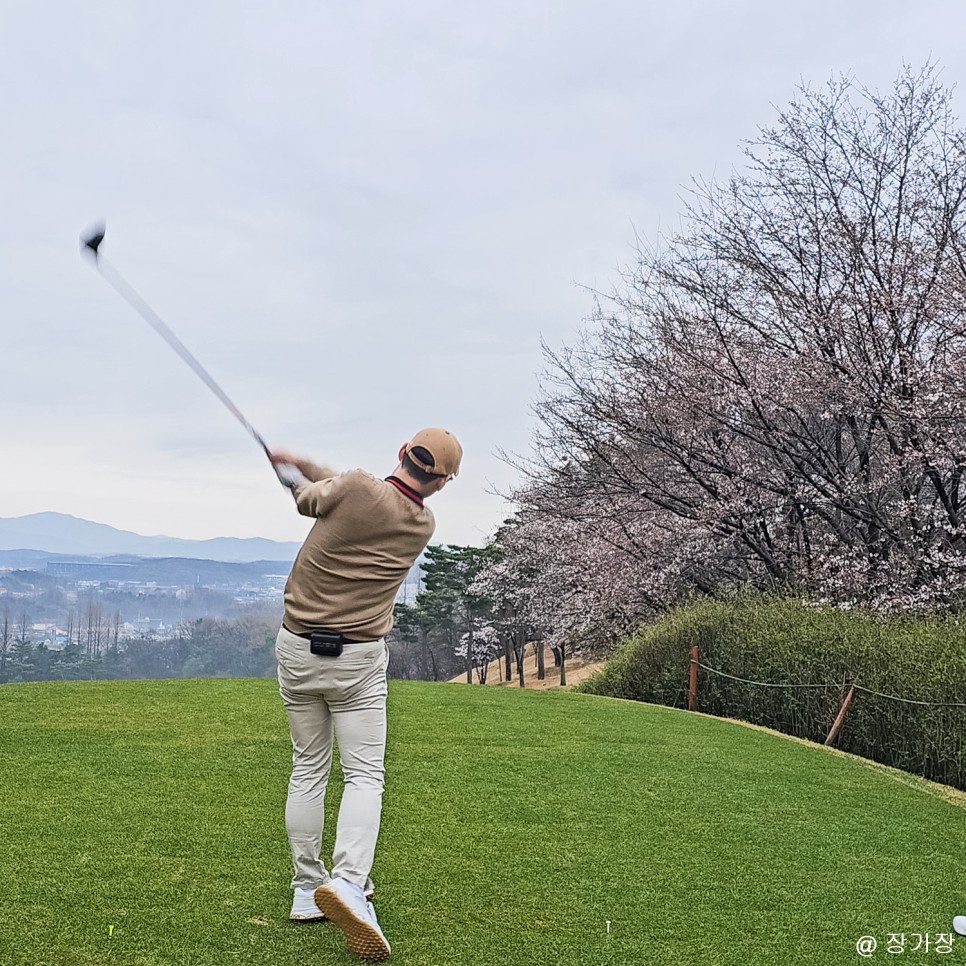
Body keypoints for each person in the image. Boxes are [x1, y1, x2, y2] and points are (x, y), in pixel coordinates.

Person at [268, 427, 462, 961]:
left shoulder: (353, 486)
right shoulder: (421, 521)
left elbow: (312, 498)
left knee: (308, 766)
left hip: (297, 647)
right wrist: (303, 461)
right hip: (357, 658)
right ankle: (349, 882)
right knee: (364, 774)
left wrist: (287, 471)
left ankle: (308, 890)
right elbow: (355, 490)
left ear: (402, 452)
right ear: (443, 482)